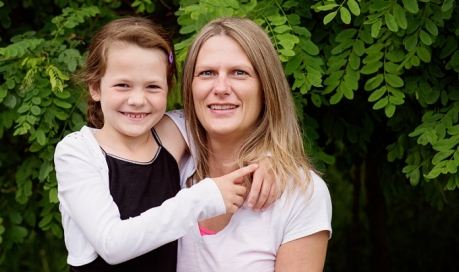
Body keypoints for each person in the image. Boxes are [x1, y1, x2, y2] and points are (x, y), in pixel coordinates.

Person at [54, 17, 276, 272]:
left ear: (168, 89)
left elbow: (233, 130)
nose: (137, 100)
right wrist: (204, 198)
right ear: (95, 87)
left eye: (152, 87)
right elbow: (112, 245)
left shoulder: (172, 134)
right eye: (122, 85)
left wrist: (265, 156)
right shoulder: (78, 152)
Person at [168, 17, 333, 271]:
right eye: (207, 73)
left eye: (239, 73)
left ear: (266, 90)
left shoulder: (300, 194)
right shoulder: (167, 171)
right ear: (190, 89)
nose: (221, 87)